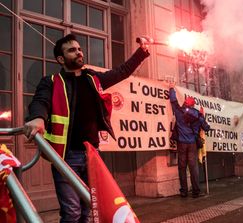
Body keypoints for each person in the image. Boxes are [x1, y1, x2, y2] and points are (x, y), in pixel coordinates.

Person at [23, 34, 150, 222]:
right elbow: (39, 101)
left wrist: (142, 52)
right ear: (61, 59)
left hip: (92, 154)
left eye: (79, 49)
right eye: (72, 50)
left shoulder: (93, 78)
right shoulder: (50, 81)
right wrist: (37, 118)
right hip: (66, 157)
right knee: (71, 213)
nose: (78, 52)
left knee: (88, 210)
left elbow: (122, 71)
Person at [169, 83, 210, 198]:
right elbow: (207, 128)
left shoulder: (178, 111)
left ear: (185, 102)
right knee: (193, 168)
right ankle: (196, 191)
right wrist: (202, 116)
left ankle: (184, 191)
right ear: (193, 105)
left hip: (181, 143)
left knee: (182, 167)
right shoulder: (198, 114)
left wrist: (171, 88)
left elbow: (173, 101)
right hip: (192, 144)